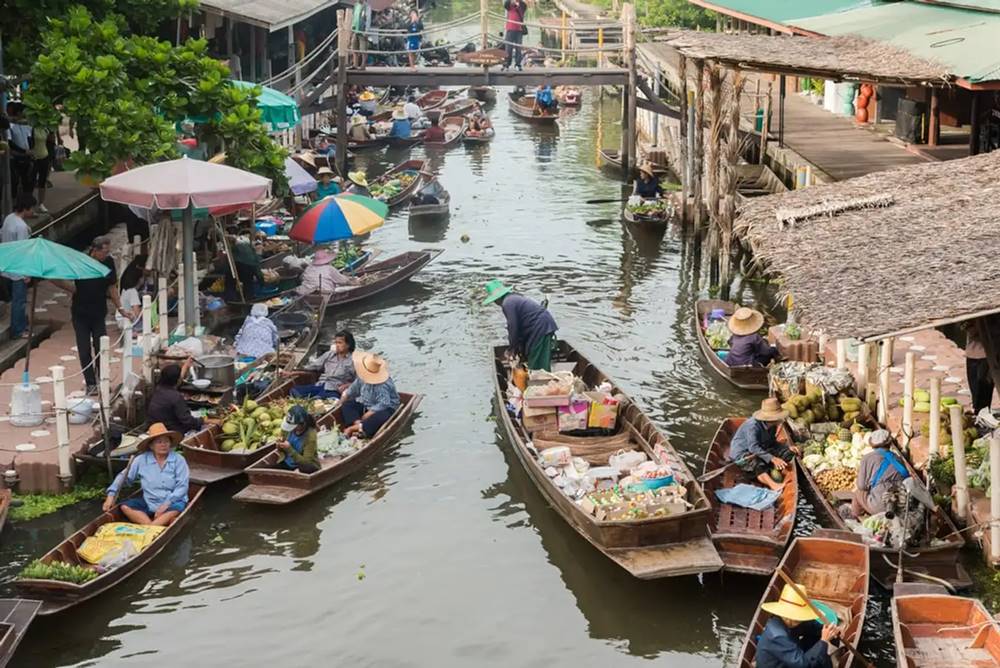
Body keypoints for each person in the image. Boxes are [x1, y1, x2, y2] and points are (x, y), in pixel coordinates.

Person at [56, 236, 127, 395]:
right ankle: (90, 383)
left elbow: (112, 287)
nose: (107, 254)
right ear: (95, 250)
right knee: (84, 349)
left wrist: (120, 308)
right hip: (80, 312)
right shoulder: (80, 261)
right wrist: (73, 289)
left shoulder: (108, 262)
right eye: (105, 251)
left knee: (101, 347)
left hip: (98, 312)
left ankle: (102, 378)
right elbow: (60, 279)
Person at [103, 423, 190, 527]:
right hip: (149, 502)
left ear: (170, 443)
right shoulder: (141, 460)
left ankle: (151, 527)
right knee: (125, 507)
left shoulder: (178, 460)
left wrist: (165, 505)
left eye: (166, 441)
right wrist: (111, 495)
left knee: (176, 508)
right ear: (151, 446)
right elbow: (124, 477)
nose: (163, 445)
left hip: (173, 502)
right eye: (159, 442)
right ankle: (150, 526)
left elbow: (182, 486)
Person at [755, 583, 841, 668]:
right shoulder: (777, 636)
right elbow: (803, 665)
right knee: (820, 652)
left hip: (792, 654)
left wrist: (831, 632)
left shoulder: (797, 621)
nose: (798, 620)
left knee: (817, 638)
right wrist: (824, 641)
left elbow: (813, 627)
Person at [483, 279, 558, 371]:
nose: (495, 303)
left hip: (540, 327)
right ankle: (540, 378)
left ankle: (540, 381)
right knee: (536, 355)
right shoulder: (513, 298)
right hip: (543, 324)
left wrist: (512, 349)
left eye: (494, 300)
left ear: (497, 299)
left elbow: (513, 327)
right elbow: (518, 326)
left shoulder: (507, 303)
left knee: (537, 361)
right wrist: (517, 348)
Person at [729, 398, 799, 492]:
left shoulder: (773, 425)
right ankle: (773, 485)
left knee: (788, 453)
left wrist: (787, 448)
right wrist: (773, 459)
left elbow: (772, 443)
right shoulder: (753, 426)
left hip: (761, 448)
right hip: (743, 452)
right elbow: (753, 447)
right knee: (756, 464)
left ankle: (771, 468)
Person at [341, 351, 401, 438]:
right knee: (348, 405)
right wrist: (341, 400)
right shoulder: (361, 378)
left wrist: (369, 413)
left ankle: (351, 429)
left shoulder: (382, 384)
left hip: (386, 408)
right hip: (367, 404)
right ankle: (359, 426)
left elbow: (384, 403)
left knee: (381, 417)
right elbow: (351, 391)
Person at [852, 429, 909, 517]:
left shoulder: (867, 458)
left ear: (872, 444)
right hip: (901, 505)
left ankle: (855, 516)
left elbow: (861, 486)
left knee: (859, 492)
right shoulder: (898, 459)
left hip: (879, 507)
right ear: (889, 444)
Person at [1, 194, 35, 339]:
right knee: (19, 301)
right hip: (18, 270)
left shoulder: (9, 218)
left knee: (15, 300)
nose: (33, 212)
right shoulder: (21, 227)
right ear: (26, 209)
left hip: (6, 266)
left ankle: (21, 325)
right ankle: (18, 330)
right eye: (32, 208)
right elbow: (24, 250)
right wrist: (27, 273)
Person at [290, 330, 358, 399]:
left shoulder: (353, 361)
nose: (337, 345)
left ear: (348, 345)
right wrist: (293, 372)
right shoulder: (329, 355)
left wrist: (346, 386)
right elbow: (313, 366)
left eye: (340, 343)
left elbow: (359, 382)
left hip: (334, 390)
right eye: (336, 342)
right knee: (294, 391)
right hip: (320, 385)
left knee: (321, 400)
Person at [148, 362, 204, 434]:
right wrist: (204, 420)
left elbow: (178, 379)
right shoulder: (176, 397)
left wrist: (186, 365)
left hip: (155, 426)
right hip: (170, 430)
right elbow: (188, 421)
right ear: (176, 380)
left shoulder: (158, 388)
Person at [276, 405, 320, 473]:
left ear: (302, 424)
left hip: (304, 467)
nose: (292, 429)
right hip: (287, 463)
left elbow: (307, 463)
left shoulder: (310, 436)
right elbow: (281, 449)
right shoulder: (287, 429)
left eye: (294, 426)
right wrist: (279, 445)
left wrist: (289, 449)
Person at [965, 320, 994, 416]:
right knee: (975, 391)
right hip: (972, 355)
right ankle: (978, 414)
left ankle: (982, 414)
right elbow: (967, 329)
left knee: (984, 391)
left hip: (987, 355)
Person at [6, 103, 33, 200]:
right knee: (15, 180)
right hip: (16, 156)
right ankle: (13, 203)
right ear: (19, 113)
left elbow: (29, 138)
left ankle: (27, 203)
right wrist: (23, 151)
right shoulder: (10, 125)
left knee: (28, 181)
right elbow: (10, 142)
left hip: (26, 156)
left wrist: (31, 150)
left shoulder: (26, 125)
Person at [117, 254, 146, 334]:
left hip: (122, 318)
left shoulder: (125, 289)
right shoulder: (132, 291)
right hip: (126, 320)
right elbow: (136, 312)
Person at [30, 125, 52, 213]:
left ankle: (41, 203)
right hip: (35, 157)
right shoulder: (32, 128)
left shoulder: (45, 128)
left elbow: (50, 140)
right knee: (31, 181)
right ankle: (29, 205)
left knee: (42, 181)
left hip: (44, 156)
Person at [502, 0, 528, 71]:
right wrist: (512, 2)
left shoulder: (522, 5)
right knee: (508, 48)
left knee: (518, 48)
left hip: (519, 29)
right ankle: (507, 64)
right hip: (510, 28)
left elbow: (523, 8)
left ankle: (518, 64)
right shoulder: (509, 4)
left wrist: (517, 4)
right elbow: (505, 4)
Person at [351, 0, 372, 68]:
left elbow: (368, 19)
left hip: (362, 30)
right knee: (354, 47)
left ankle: (363, 65)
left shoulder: (367, 7)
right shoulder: (356, 5)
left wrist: (366, 31)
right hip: (355, 29)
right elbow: (354, 16)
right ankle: (355, 64)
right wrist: (352, 28)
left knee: (363, 49)